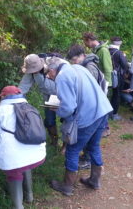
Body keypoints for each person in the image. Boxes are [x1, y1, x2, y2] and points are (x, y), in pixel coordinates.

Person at [47, 59, 112, 196]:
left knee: (72, 149)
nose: (48, 76)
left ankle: (67, 186)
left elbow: (68, 109)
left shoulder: (62, 77)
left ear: (53, 70)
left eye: (48, 73)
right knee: (93, 146)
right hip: (103, 110)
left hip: (88, 117)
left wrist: (55, 109)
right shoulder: (77, 67)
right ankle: (94, 180)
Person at [0, 86, 46, 209]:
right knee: (23, 163)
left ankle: (18, 206)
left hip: (14, 159)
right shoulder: (31, 108)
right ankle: (29, 195)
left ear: (4, 97)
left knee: (14, 170)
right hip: (38, 155)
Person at [18, 54, 67, 146]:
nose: (34, 71)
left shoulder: (56, 62)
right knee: (49, 121)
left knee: (66, 118)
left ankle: (66, 146)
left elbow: (69, 79)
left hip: (64, 94)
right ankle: (54, 142)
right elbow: (23, 87)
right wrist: (14, 99)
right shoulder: (31, 69)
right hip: (49, 97)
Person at [83, 32, 113, 136]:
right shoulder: (96, 50)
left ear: (89, 40)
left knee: (102, 106)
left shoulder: (103, 50)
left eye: (85, 41)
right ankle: (102, 127)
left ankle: (105, 128)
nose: (85, 44)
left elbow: (108, 68)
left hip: (103, 83)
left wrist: (106, 84)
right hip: (99, 82)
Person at [108, 36, 129, 121]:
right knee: (117, 95)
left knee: (109, 94)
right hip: (117, 76)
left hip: (107, 75)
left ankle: (109, 112)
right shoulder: (119, 53)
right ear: (119, 43)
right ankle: (114, 114)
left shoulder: (106, 50)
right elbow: (125, 65)